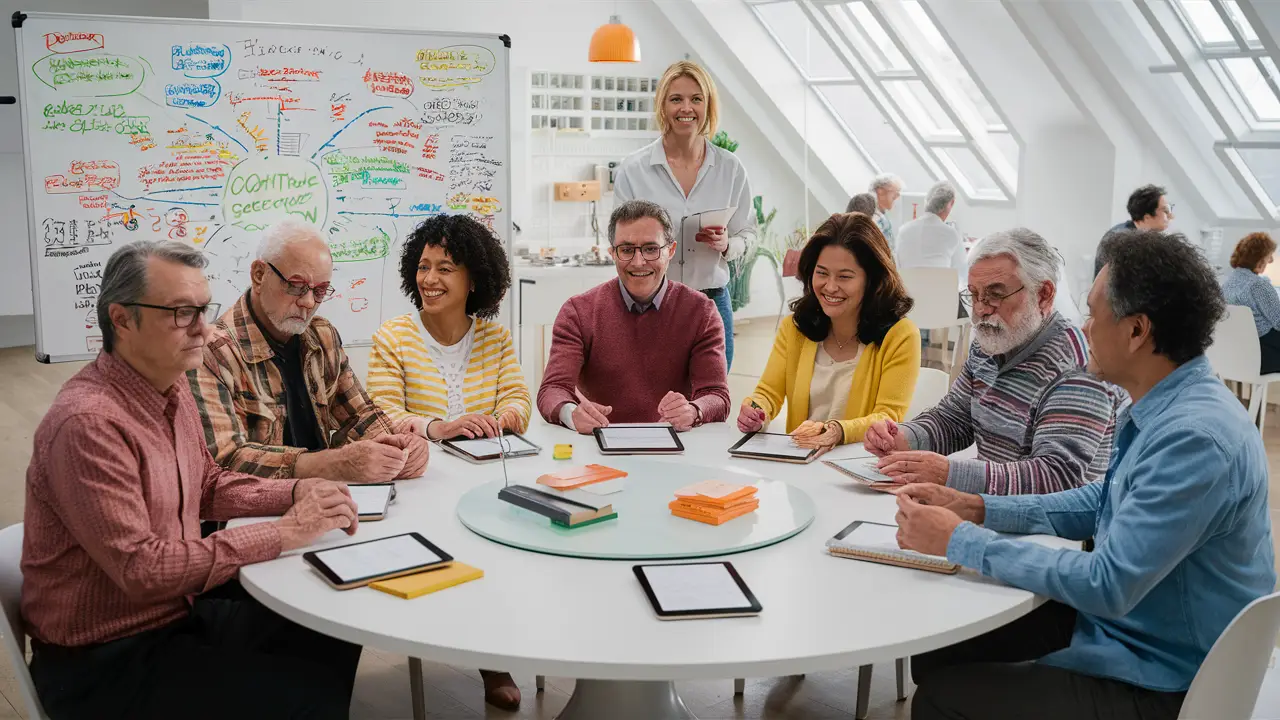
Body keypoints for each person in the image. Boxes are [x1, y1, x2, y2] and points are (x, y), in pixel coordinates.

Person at [897, 230, 1274, 720]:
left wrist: (962, 540)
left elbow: (1108, 582)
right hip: (1134, 629)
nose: (1084, 326)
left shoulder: (1195, 437)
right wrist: (977, 507)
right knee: (940, 649)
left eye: (1095, 314)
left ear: (1137, 331)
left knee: (941, 698)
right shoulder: (1167, 404)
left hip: (1166, 679)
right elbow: (1102, 499)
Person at [23, 240, 363, 720]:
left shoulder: (171, 386)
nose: (204, 329)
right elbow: (143, 570)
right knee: (301, 689)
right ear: (121, 320)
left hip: (173, 613)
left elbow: (206, 483)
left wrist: (294, 491)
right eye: (182, 313)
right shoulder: (87, 424)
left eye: (204, 309)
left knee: (332, 627)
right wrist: (284, 530)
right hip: (105, 659)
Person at [365, 214, 528, 711]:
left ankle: (496, 650)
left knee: (510, 542)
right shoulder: (393, 337)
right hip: (424, 482)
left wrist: (499, 418)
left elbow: (520, 400)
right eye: (423, 266)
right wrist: (439, 427)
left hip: (488, 480)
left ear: (473, 279)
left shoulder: (496, 339)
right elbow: (382, 412)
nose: (429, 279)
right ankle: (486, 658)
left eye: (445, 268)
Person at [864, 228, 1120, 495]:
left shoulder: (1078, 364)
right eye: (974, 294)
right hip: (990, 509)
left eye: (995, 294)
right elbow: (954, 420)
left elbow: (1054, 477)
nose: (981, 309)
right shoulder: (991, 342)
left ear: (1043, 294)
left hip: (1049, 528)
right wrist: (904, 437)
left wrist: (948, 473)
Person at [189, 219, 429, 483]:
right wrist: (334, 463)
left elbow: (360, 415)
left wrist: (400, 445)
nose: (307, 302)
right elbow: (225, 461)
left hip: (326, 495)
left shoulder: (322, 336)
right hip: (261, 510)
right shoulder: (211, 352)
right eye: (295, 285)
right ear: (259, 275)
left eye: (320, 291)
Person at [537, 199, 730, 433]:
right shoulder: (578, 311)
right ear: (612, 253)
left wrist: (693, 410)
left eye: (650, 249)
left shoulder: (701, 312)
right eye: (627, 250)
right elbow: (553, 389)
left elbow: (716, 395)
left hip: (676, 447)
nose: (638, 262)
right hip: (599, 446)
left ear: (670, 251)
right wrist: (570, 413)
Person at [614, 60, 756, 370]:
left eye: (696, 98)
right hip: (649, 301)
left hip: (711, 300)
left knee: (711, 399)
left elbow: (749, 234)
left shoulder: (730, 169)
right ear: (663, 106)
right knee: (649, 399)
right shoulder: (634, 170)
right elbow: (618, 241)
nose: (686, 108)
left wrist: (728, 244)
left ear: (708, 105)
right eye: (675, 99)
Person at [737, 213, 920, 454]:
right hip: (801, 463)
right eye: (821, 273)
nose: (830, 287)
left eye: (844, 277)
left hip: (860, 467)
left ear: (873, 280)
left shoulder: (901, 335)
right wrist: (756, 410)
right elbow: (768, 393)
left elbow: (888, 416)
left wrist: (836, 431)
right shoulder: (795, 328)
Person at [1222, 231, 1280, 374]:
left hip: (1238, 356)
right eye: (1268, 256)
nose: (1271, 261)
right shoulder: (1258, 285)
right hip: (1262, 357)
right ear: (1259, 258)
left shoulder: (1228, 282)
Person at [895, 181, 965, 284]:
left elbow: (898, 267)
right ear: (951, 203)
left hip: (906, 295)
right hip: (941, 296)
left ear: (927, 201)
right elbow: (961, 272)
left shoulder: (903, 230)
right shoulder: (951, 234)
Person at [1095, 184, 1173, 276]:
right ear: (1147, 217)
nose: (1171, 216)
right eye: (1165, 210)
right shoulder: (1122, 240)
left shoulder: (1139, 236)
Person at [870, 173, 903, 251]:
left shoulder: (881, 215)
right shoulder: (874, 218)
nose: (897, 197)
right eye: (895, 193)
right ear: (880, 192)